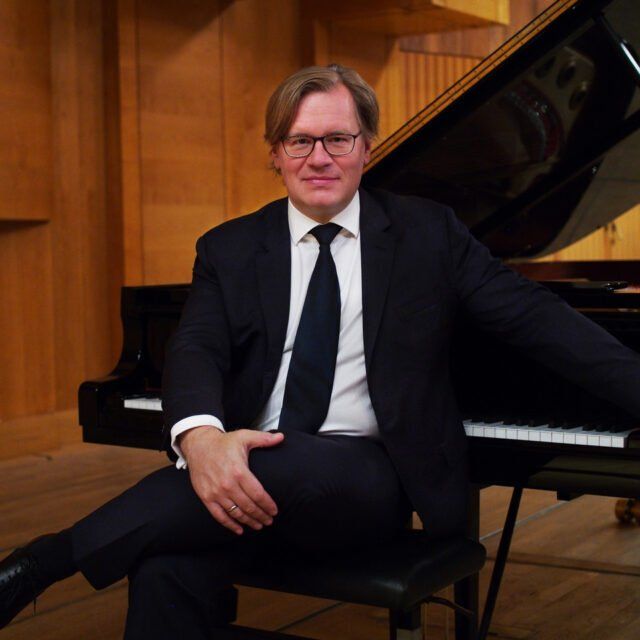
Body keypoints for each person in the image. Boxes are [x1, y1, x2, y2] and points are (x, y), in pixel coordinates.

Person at [2, 63, 640, 639]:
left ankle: (42, 563)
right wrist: (200, 440)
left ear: (366, 147)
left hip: (366, 479)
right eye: (300, 141)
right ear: (275, 154)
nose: (319, 158)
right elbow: (195, 347)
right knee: (166, 570)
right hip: (248, 474)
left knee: (269, 460)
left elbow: (535, 317)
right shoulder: (229, 248)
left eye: (338, 138)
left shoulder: (428, 234)